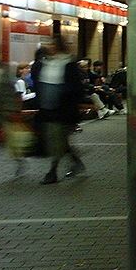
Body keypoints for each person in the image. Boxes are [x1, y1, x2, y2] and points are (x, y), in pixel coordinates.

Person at [32, 35, 86, 184]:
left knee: (56, 139)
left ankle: (52, 172)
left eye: (52, 44)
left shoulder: (69, 64)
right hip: (47, 108)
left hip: (63, 109)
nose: (49, 46)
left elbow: (76, 88)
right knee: (58, 139)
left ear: (59, 46)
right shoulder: (45, 63)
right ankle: (76, 162)